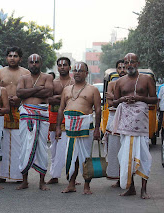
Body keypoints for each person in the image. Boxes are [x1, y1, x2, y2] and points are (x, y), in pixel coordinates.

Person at [112, 53, 157, 199]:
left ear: (137, 63)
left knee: (144, 155)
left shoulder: (147, 79)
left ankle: (143, 189)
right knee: (125, 156)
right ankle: (130, 187)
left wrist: (139, 98)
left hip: (141, 123)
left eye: (132, 62)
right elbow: (113, 102)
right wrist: (123, 99)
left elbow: (154, 99)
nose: (129, 64)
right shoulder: (120, 82)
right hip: (126, 123)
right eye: (126, 62)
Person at [56, 62, 101, 195]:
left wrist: (97, 129)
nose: (77, 72)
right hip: (69, 126)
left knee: (85, 156)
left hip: (85, 126)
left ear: (86, 73)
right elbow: (61, 109)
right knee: (71, 156)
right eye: (75, 70)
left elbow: (98, 110)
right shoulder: (66, 89)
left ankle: (87, 185)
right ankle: (71, 184)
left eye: (80, 70)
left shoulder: (93, 89)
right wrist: (58, 127)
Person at [16, 53, 53, 190]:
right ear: (28, 63)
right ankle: (24, 181)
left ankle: (42, 181)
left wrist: (29, 91)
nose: (34, 64)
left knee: (41, 147)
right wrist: (37, 89)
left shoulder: (47, 77)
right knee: (24, 146)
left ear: (40, 63)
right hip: (26, 115)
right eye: (31, 62)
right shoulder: (23, 78)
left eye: (36, 62)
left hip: (41, 115)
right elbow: (19, 93)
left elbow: (48, 93)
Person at [0, 47, 30, 182]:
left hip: (20, 110)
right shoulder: (0, 72)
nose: (12, 58)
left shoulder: (26, 73)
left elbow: (29, 92)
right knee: (1, 142)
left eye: (15, 56)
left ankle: (18, 174)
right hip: (3, 111)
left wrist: (19, 99)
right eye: (10, 56)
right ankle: (1, 175)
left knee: (19, 142)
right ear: (6, 58)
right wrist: (4, 100)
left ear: (20, 59)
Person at [46, 57, 75, 184]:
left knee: (69, 148)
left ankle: (71, 175)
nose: (62, 67)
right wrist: (64, 98)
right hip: (53, 116)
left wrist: (59, 97)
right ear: (57, 67)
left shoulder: (74, 82)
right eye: (60, 65)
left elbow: (76, 99)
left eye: (65, 65)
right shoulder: (53, 83)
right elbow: (48, 100)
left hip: (70, 117)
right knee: (54, 148)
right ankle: (54, 175)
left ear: (69, 67)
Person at [102, 60, 127, 187]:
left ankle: (127, 179)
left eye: (124, 67)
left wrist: (115, 98)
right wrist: (122, 99)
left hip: (127, 119)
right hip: (113, 119)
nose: (122, 70)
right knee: (114, 149)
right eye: (119, 67)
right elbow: (110, 103)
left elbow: (115, 100)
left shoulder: (131, 83)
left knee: (127, 149)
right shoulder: (112, 84)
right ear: (116, 70)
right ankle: (118, 179)